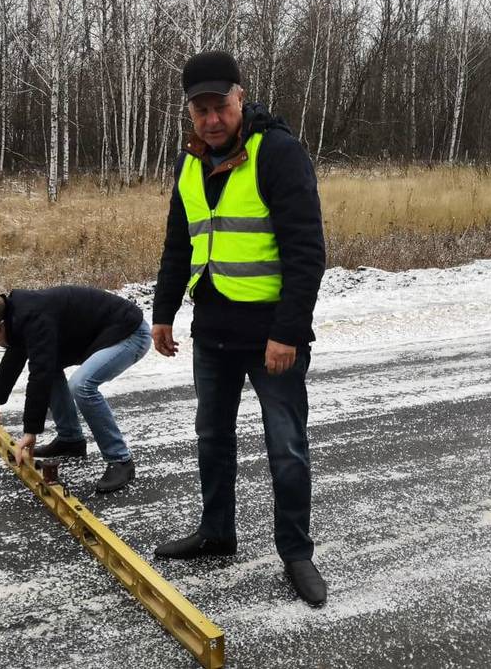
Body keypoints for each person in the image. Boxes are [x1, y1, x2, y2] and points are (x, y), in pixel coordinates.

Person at [151, 51, 327, 607]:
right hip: (214, 332)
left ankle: (296, 553)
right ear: (191, 112)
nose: (211, 118)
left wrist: (289, 332)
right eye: (200, 109)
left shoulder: (276, 152)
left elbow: (307, 251)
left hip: (271, 335)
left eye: (220, 105)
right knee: (212, 439)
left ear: (241, 97)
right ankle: (217, 532)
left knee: (286, 448)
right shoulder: (190, 162)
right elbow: (179, 245)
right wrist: (163, 311)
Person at [0, 285, 151, 493]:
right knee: (51, 367)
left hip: (130, 334)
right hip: (106, 333)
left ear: (2, 324)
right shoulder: (17, 316)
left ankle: (121, 460)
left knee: (82, 385)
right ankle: (70, 440)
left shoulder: (33, 317)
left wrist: (31, 432)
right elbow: (15, 357)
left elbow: (39, 375)